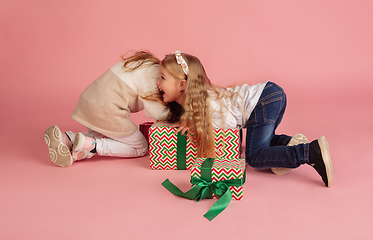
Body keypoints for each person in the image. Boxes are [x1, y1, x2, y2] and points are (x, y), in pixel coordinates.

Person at [156, 50, 333, 187]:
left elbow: (232, 127)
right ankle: (288, 144)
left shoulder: (206, 105)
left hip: (263, 101)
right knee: (262, 142)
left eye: (162, 78)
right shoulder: (200, 101)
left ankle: (309, 153)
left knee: (254, 156)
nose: (157, 83)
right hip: (271, 94)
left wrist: (201, 126)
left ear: (182, 85)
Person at [44, 50, 177, 167]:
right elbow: (155, 112)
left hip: (89, 102)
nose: (159, 82)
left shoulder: (148, 64)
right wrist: (178, 116)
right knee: (141, 147)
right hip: (106, 111)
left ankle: (67, 139)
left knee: (110, 137)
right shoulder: (154, 79)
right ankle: (93, 147)